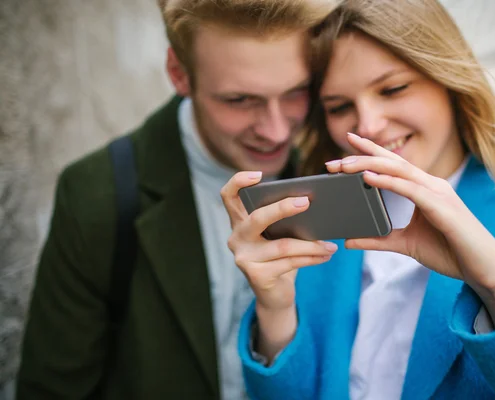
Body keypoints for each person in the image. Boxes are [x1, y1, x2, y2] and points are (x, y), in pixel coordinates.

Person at [221, 0, 495, 398]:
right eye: (339, 106)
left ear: (448, 77)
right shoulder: (317, 218)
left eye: (393, 89)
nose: (368, 125)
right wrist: (276, 312)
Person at [16, 0, 343, 398]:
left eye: (296, 92)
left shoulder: (329, 169)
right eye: (240, 100)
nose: (275, 131)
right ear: (178, 74)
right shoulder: (96, 194)